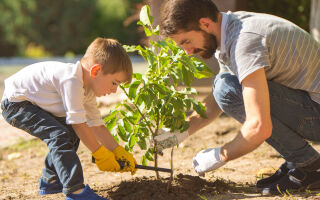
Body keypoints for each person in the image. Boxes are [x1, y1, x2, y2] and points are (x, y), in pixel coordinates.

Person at [155, 0, 320, 195]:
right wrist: (179, 132)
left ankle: (309, 166)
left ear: (205, 24)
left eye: (186, 42)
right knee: (223, 84)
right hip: (310, 106)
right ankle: (301, 162)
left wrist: (221, 155)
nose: (187, 52)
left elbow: (259, 126)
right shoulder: (231, 27)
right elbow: (218, 99)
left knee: (226, 87)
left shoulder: (244, 42)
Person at [1, 37, 137, 200]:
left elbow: (96, 125)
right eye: (114, 83)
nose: (115, 90)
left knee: (69, 133)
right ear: (95, 71)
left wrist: (117, 151)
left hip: (32, 103)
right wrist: (100, 154)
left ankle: (51, 179)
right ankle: (75, 191)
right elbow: (79, 124)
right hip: (16, 103)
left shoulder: (87, 90)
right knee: (59, 134)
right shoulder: (71, 79)